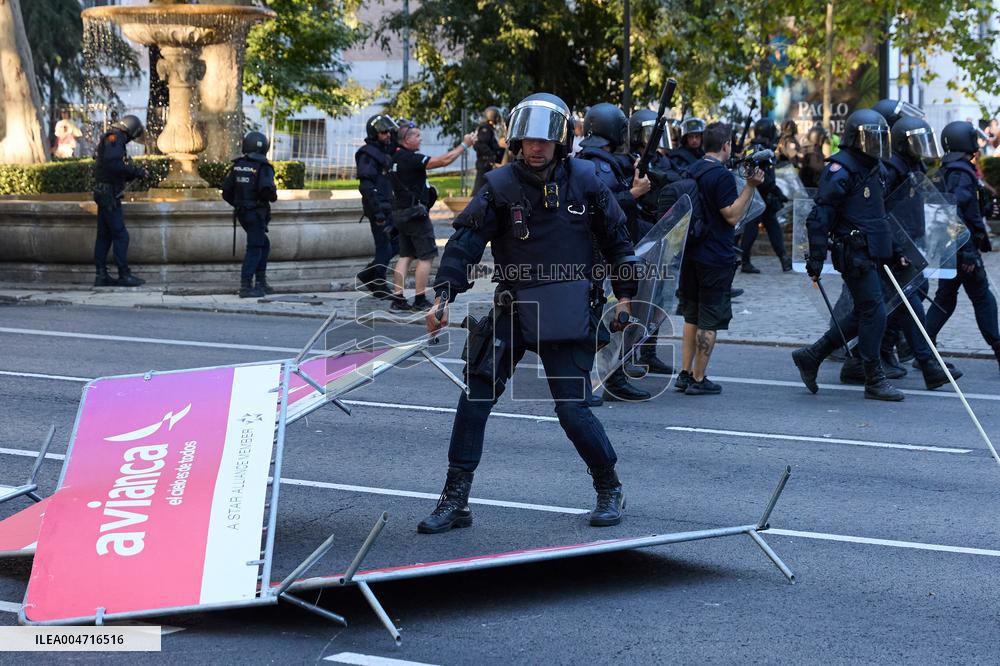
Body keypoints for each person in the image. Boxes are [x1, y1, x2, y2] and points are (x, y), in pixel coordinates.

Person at [420, 92, 639, 533]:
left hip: (569, 310)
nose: (536, 148)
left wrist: (626, 296)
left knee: (572, 409)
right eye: (528, 140)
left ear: (560, 141)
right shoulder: (499, 185)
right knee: (475, 397)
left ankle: (609, 487)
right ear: (517, 141)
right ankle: (455, 499)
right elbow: (465, 244)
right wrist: (443, 294)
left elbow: (618, 240)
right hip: (514, 306)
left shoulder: (587, 181)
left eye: (544, 140)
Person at [791, 109, 905, 401]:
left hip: (873, 250)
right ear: (855, 138)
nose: (876, 144)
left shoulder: (877, 168)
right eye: (871, 138)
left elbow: (879, 215)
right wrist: (816, 257)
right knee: (874, 311)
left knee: (864, 311)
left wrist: (895, 249)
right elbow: (820, 216)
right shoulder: (840, 169)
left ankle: (811, 356)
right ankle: (873, 378)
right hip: (853, 252)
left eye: (879, 138)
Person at [673, 122, 764, 395]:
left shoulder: (692, 169)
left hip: (691, 253)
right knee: (709, 319)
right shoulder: (721, 176)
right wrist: (750, 186)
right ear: (726, 145)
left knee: (691, 316)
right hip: (714, 257)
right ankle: (699, 379)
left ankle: (684, 374)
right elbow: (732, 215)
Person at [576, 103, 653, 403]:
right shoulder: (600, 167)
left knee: (604, 320)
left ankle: (611, 376)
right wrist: (634, 193)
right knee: (603, 320)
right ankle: (598, 382)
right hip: (599, 256)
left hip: (598, 255)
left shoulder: (588, 160)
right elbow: (602, 209)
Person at [873, 115, 952, 388]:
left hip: (912, 240)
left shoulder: (913, 165)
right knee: (909, 300)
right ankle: (927, 361)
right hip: (896, 245)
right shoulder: (890, 168)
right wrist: (895, 247)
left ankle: (885, 351)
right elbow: (882, 211)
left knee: (915, 293)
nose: (920, 147)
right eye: (915, 142)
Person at [925, 120, 1000, 371]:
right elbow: (954, 213)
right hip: (961, 249)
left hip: (952, 247)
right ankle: (998, 347)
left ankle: (923, 348)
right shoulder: (960, 172)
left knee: (946, 298)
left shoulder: (949, 169)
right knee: (983, 298)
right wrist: (967, 251)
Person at [389, 120, 475, 311]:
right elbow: (443, 161)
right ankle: (420, 299)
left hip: (400, 213)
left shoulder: (394, 158)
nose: (420, 139)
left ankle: (398, 299)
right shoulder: (411, 158)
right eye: (417, 135)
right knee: (426, 257)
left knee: (405, 256)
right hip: (415, 215)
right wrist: (465, 144)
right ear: (406, 139)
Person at [92, 114, 147, 288]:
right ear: (130, 130)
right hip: (109, 195)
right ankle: (124, 275)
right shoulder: (115, 138)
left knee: (104, 235)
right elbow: (113, 164)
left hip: (104, 192)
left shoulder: (111, 137)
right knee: (121, 235)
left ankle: (101, 275)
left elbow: (112, 167)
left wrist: (133, 173)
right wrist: (135, 171)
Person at [222, 131, 278, 298]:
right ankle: (246, 286)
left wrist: (239, 203)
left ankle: (260, 282)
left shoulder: (238, 165)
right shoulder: (263, 166)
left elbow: (226, 191)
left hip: (242, 213)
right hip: (256, 213)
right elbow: (267, 189)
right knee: (255, 247)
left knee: (263, 244)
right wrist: (271, 197)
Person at [355, 114, 400, 299]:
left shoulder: (386, 151)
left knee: (399, 244)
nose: (387, 135)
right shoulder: (368, 153)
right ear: (374, 134)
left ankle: (368, 274)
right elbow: (366, 186)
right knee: (384, 246)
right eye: (383, 132)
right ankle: (379, 283)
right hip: (378, 208)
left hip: (390, 206)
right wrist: (377, 212)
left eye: (388, 132)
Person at [739, 118, 792, 273]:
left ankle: (784, 259)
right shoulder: (757, 149)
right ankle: (745, 261)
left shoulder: (757, 147)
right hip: (757, 196)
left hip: (764, 197)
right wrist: (776, 191)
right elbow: (759, 175)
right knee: (751, 229)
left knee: (773, 227)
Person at [472, 106, 506, 194]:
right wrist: (491, 156)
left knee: (487, 189)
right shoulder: (485, 129)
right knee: (480, 190)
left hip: (487, 164)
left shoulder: (489, 129)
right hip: (485, 164)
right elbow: (480, 144)